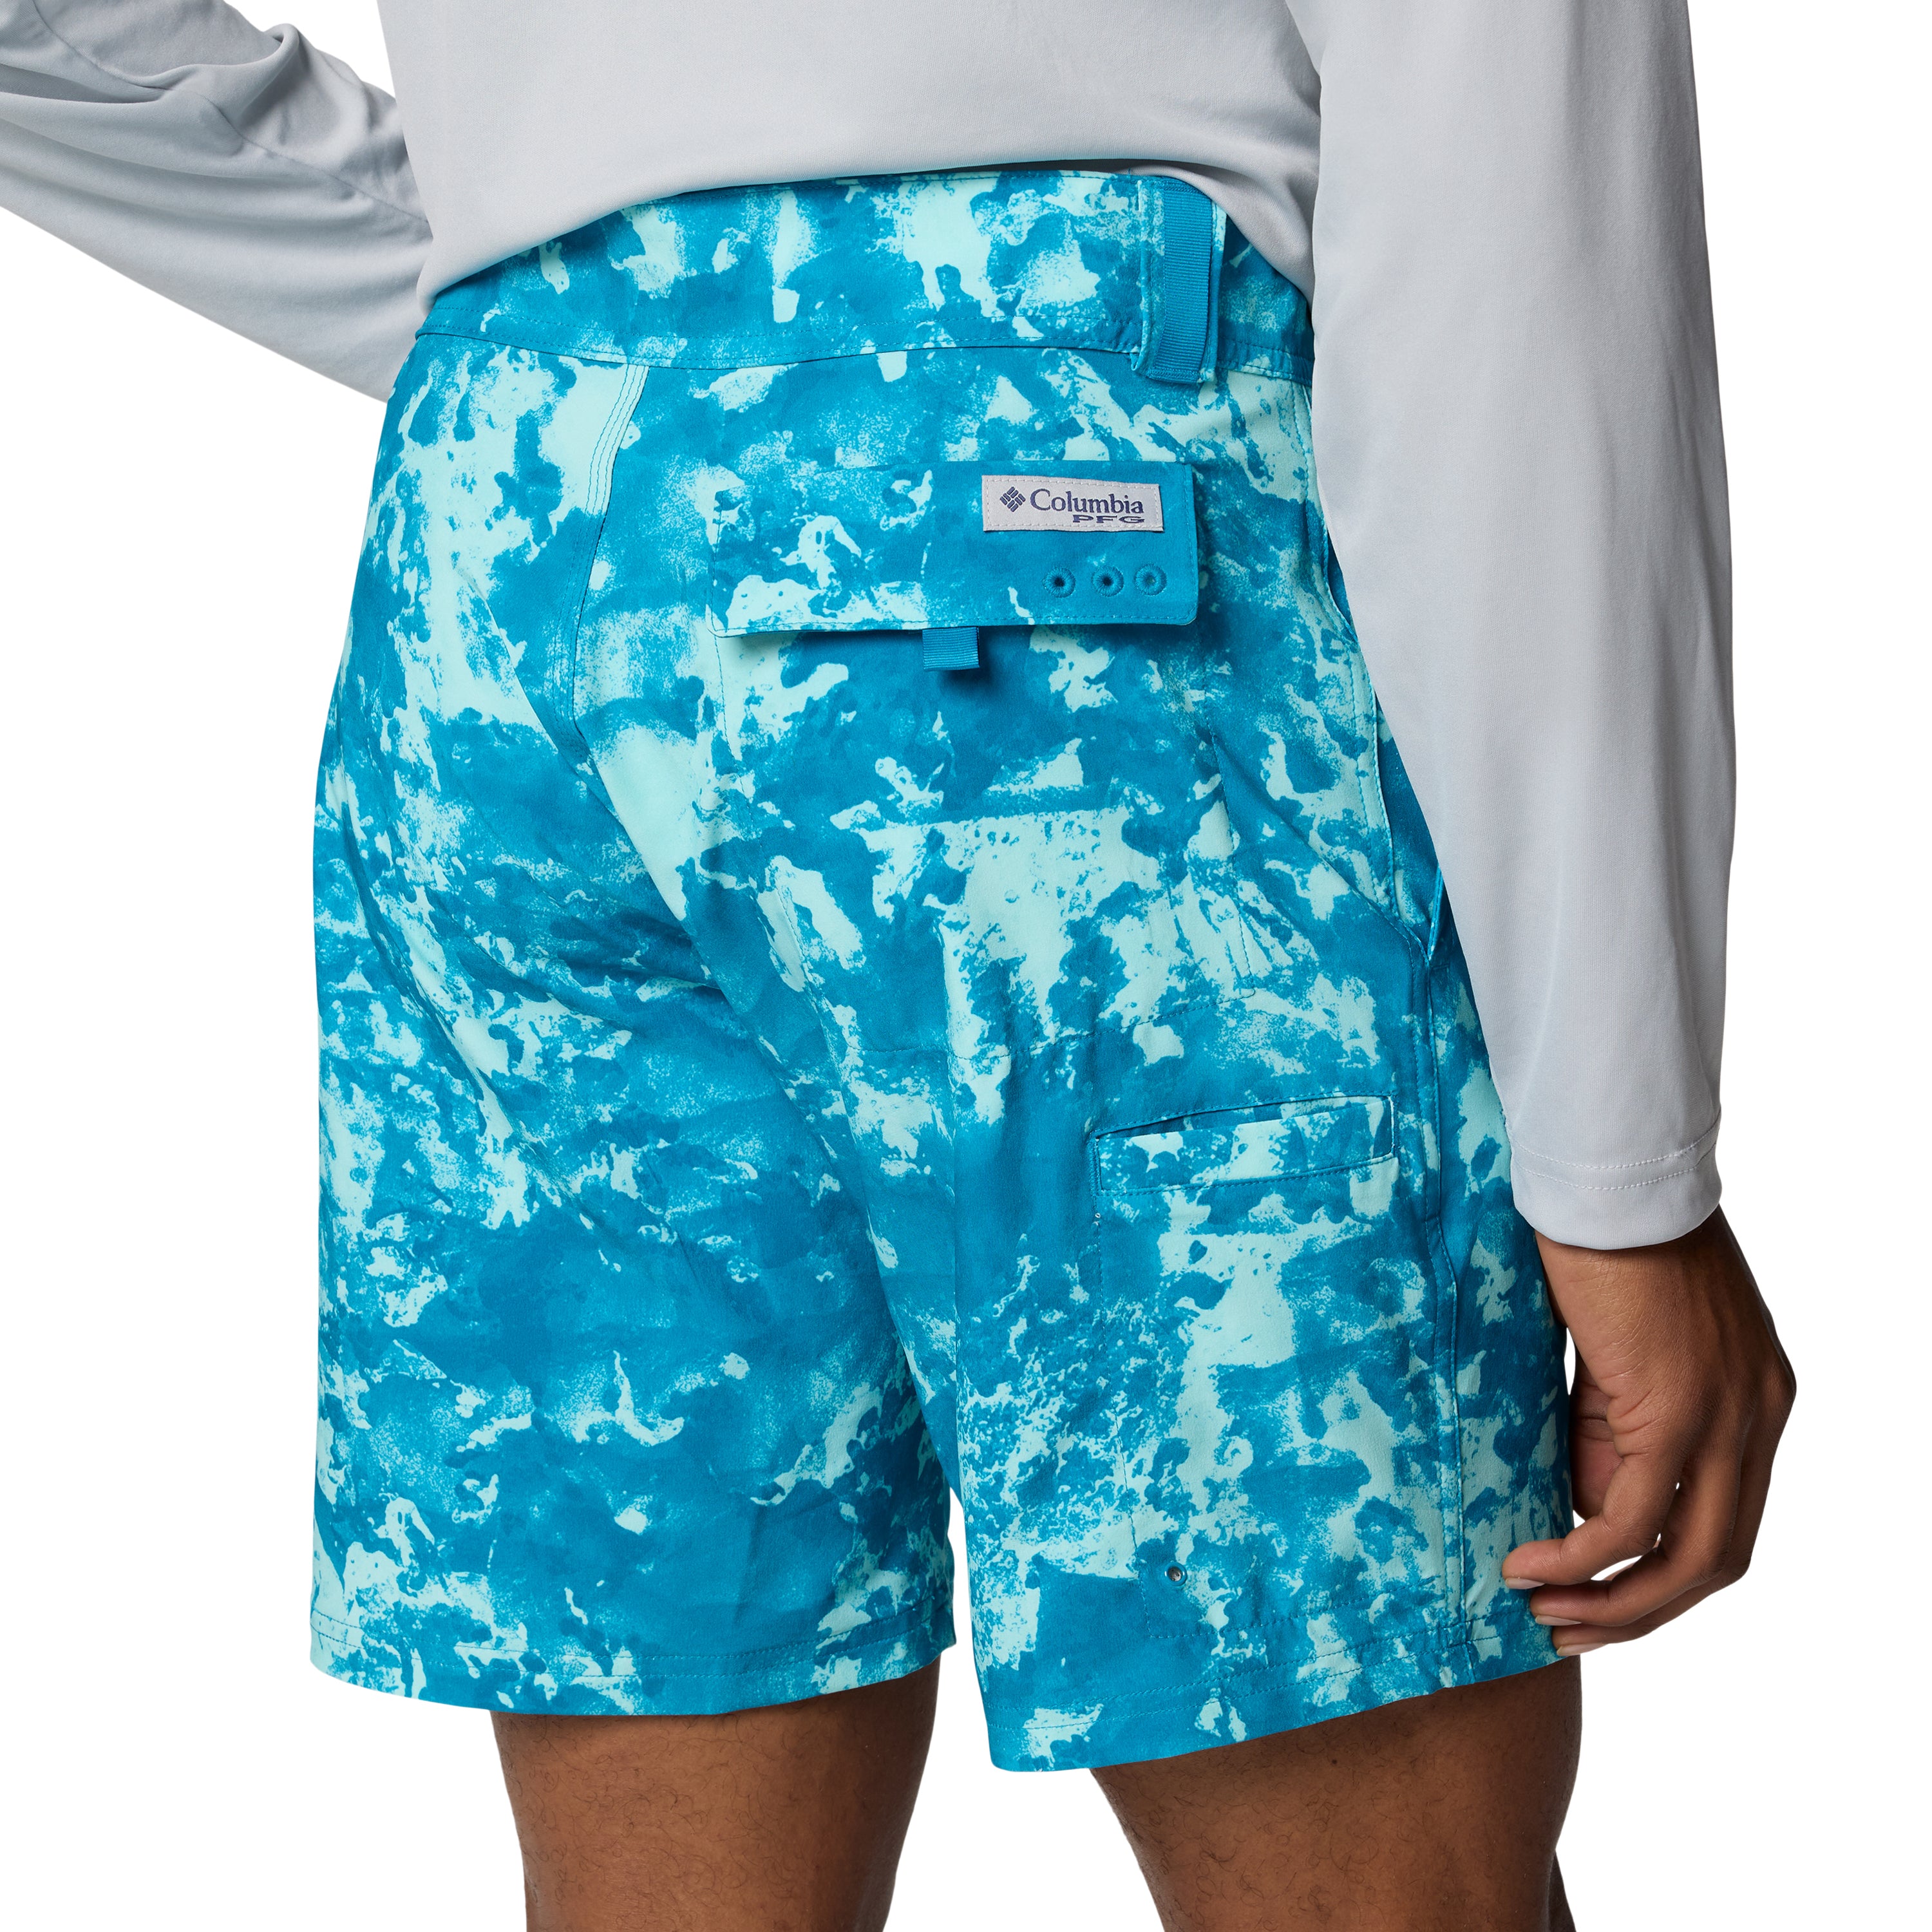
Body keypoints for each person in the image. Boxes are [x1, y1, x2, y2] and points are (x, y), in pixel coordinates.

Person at [0, 4, 1795, 1927]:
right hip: (1067, 550)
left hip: (514, 531)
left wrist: (577, 325)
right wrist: (1622, 1166)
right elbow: (1514, 255)